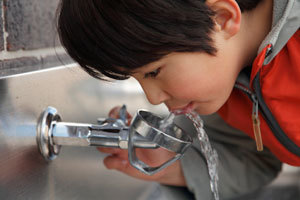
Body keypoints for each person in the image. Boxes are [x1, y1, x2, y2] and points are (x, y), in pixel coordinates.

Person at [56, 0, 300, 199]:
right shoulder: (228, 85)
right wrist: (170, 167)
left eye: (153, 72)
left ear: (222, 18)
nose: (153, 98)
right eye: (138, 79)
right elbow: (254, 159)